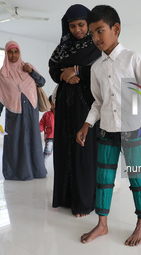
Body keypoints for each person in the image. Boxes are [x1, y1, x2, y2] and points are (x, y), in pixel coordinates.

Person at [76, 5, 141, 246]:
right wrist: (86, 124)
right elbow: (98, 102)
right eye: (92, 33)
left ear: (116, 29)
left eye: (100, 31)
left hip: (131, 129)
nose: (95, 38)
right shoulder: (96, 68)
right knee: (103, 178)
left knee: (138, 177)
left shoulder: (132, 58)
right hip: (106, 131)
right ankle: (102, 224)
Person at [49, 4, 101, 217]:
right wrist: (64, 74)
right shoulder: (62, 47)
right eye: (72, 26)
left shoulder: (96, 45)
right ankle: (65, 197)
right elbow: (53, 69)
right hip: (64, 105)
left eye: (81, 24)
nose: (77, 30)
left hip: (86, 105)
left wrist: (76, 70)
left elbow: (100, 70)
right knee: (64, 149)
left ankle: (84, 201)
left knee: (83, 151)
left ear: (88, 24)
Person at [0, 41, 46, 181]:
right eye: (10, 52)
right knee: (15, 142)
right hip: (14, 113)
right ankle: (17, 172)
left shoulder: (27, 67)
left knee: (33, 139)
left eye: (16, 52)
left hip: (31, 110)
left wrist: (31, 71)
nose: (13, 55)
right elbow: (0, 97)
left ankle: (36, 171)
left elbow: (42, 82)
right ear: (6, 53)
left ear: (20, 53)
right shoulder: (2, 74)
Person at [39, 95, 55, 173]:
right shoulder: (47, 114)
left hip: (60, 137)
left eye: (55, 104)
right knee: (47, 152)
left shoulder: (61, 114)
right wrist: (38, 130)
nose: (54, 106)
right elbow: (41, 124)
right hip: (49, 137)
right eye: (52, 104)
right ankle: (42, 165)